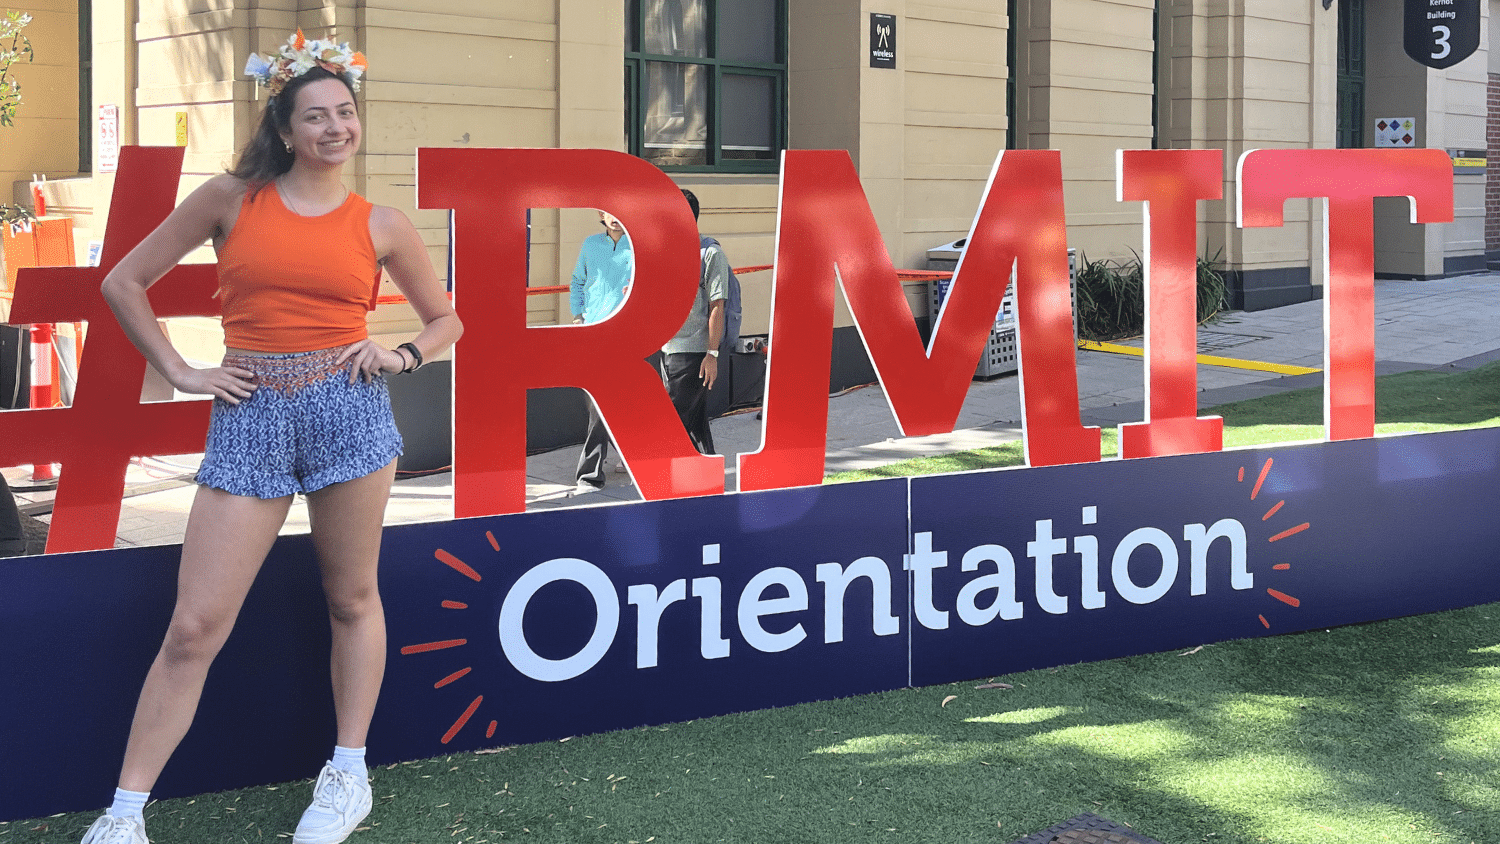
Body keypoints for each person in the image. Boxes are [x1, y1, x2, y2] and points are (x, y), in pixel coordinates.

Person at [82, 30, 462, 844]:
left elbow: (447, 320)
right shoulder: (231, 198)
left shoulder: (382, 222)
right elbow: (123, 281)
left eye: (346, 113)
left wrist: (400, 354)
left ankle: (347, 776)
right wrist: (182, 369)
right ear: (285, 130)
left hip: (351, 409)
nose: (335, 128)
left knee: (351, 597)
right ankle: (123, 815)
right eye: (316, 116)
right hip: (250, 410)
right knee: (194, 626)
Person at [657, 189, 728, 455]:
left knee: (673, 422)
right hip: (668, 348)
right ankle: (705, 471)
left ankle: (673, 477)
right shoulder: (666, 252)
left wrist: (711, 354)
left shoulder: (709, 254)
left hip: (693, 352)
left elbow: (717, 306)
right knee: (694, 421)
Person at [569, 210, 634, 492]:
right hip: (593, 333)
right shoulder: (590, 244)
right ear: (601, 214)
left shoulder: (638, 247)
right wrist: (578, 316)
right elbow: (577, 283)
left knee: (622, 402)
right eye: (608, 212)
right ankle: (598, 469)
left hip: (627, 336)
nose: (615, 217)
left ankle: (602, 469)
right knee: (595, 402)